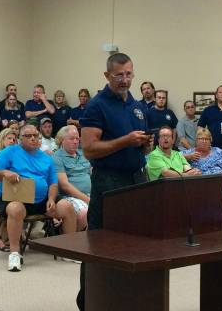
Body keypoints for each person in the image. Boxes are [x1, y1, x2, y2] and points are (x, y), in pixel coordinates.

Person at [77, 53, 152, 310]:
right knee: (103, 242)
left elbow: (136, 145)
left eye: (129, 73)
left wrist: (143, 146)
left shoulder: (137, 105)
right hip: (109, 181)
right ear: (107, 75)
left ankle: (126, 298)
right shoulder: (96, 106)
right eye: (119, 75)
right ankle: (90, 301)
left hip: (137, 178)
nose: (125, 79)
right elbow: (89, 149)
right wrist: (125, 141)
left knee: (135, 241)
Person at [0, 124, 76, 272]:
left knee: (67, 207)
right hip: (15, 198)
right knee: (15, 209)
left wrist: (51, 199)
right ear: (20, 138)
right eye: (28, 136)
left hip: (41, 200)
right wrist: (5, 173)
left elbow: (53, 183)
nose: (33, 139)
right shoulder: (9, 152)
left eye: (36, 136)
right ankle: (15, 253)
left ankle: (68, 250)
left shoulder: (46, 158)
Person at [54, 125, 91, 232]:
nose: (75, 141)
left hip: (89, 194)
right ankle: (73, 243)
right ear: (62, 140)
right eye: (71, 139)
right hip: (70, 197)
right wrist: (87, 199)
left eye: (77, 139)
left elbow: (92, 174)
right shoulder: (57, 157)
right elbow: (65, 186)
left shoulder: (83, 154)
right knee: (85, 213)